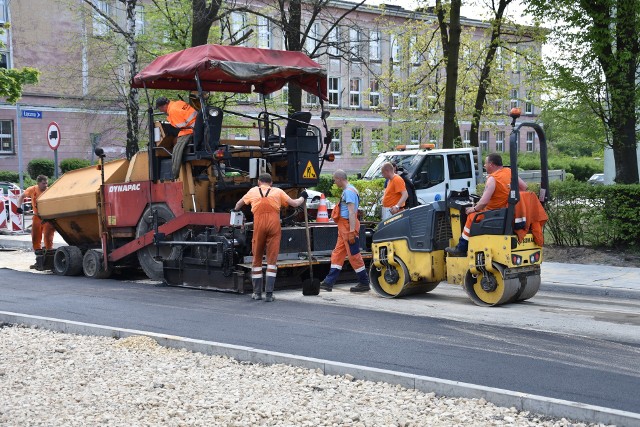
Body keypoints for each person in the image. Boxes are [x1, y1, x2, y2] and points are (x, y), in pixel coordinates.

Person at [234, 173, 306, 302]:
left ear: (259, 182)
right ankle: (269, 294)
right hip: (274, 226)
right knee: (272, 261)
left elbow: (238, 204)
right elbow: (295, 204)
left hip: (259, 226)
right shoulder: (278, 191)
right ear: (271, 183)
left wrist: (235, 211)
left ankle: (257, 293)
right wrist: (303, 197)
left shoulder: (253, 191)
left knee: (256, 260)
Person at [445, 153, 528, 256]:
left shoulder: (493, 179)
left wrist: (474, 208)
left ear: (491, 164)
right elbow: (524, 187)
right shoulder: (509, 172)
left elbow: (484, 202)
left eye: (485, 163)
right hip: (506, 212)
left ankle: (461, 247)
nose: (484, 166)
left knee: (471, 216)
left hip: (494, 214)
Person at [320, 170, 371, 293]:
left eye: (334, 179)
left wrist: (352, 231)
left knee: (354, 255)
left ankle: (364, 282)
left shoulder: (348, 192)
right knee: (338, 253)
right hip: (344, 226)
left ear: (339, 179)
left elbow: (352, 212)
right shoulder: (350, 190)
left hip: (348, 227)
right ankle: (328, 282)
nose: (334, 182)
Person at [155, 96, 198, 178]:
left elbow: (180, 126)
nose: (161, 111)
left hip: (190, 130)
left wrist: (171, 120)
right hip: (197, 128)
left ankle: (174, 173)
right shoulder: (179, 103)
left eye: (160, 109)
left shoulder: (173, 111)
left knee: (176, 149)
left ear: (163, 106)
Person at [17, 175, 55, 253]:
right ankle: (38, 252)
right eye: (43, 183)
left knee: (48, 236)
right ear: (38, 183)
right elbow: (22, 196)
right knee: (35, 236)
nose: (45, 185)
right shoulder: (32, 189)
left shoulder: (49, 191)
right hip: (37, 216)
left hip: (47, 217)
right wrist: (18, 207)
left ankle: (49, 251)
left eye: (46, 183)